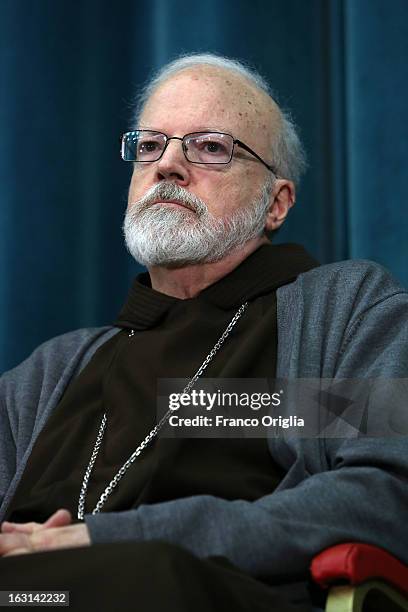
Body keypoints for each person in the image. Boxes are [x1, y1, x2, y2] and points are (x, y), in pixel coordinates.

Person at [0, 53, 407, 612]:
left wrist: (115, 539)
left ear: (276, 203)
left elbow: (382, 493)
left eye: (210, 147)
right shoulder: (49, 373)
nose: (167, 165)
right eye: (149, 145)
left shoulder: (337, 313)